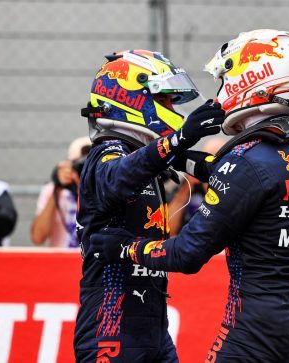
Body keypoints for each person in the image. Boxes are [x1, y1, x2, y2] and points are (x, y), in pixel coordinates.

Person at [95, 30, 289, 362]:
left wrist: (124, 247)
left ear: (252, 78)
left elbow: (188, 254)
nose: (222, 91)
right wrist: (174, 154)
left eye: (226, 79)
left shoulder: (247, 162)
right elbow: (250, 177)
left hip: (256, 332)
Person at [73, 49, 225, 362]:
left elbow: (175, 163)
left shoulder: (144, 157)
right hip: (111, 329)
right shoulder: (106, 152)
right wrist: (179, 138)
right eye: (166, 100)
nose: (171, 108)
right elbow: (117, 179)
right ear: (131, 97)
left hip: (154, 326)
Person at [30, 136, 90, 247]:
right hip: (61, 261)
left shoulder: (108, 191)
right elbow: (38, 237)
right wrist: (57, 188)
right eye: (81, 166)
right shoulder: (53, 190)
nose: (86, 170)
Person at [167, 136, 226, 236]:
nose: (211, 168)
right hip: (183, 239)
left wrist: (211, 186)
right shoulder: (188, 184)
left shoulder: (229, 188)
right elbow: (168, 229)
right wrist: (185, 189)